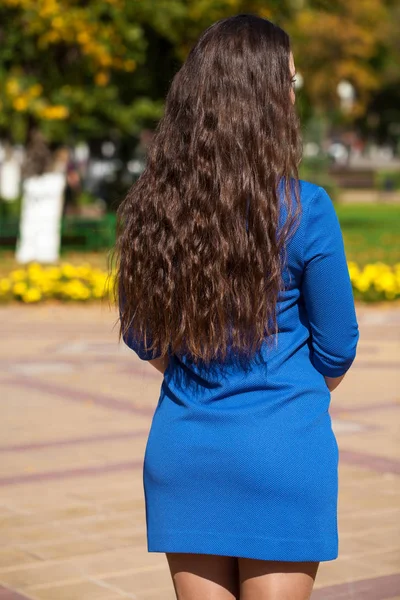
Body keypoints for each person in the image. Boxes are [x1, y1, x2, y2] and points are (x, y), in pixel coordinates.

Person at [114, 13, 359, 600]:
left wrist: (207, 386)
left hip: (186, 449)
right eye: (290, 83)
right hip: (282, 451)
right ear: (263, 98)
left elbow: (144, 336)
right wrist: (278, 401)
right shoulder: (305, 207)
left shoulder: (154, 208)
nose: (295, 97)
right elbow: (337, 346)